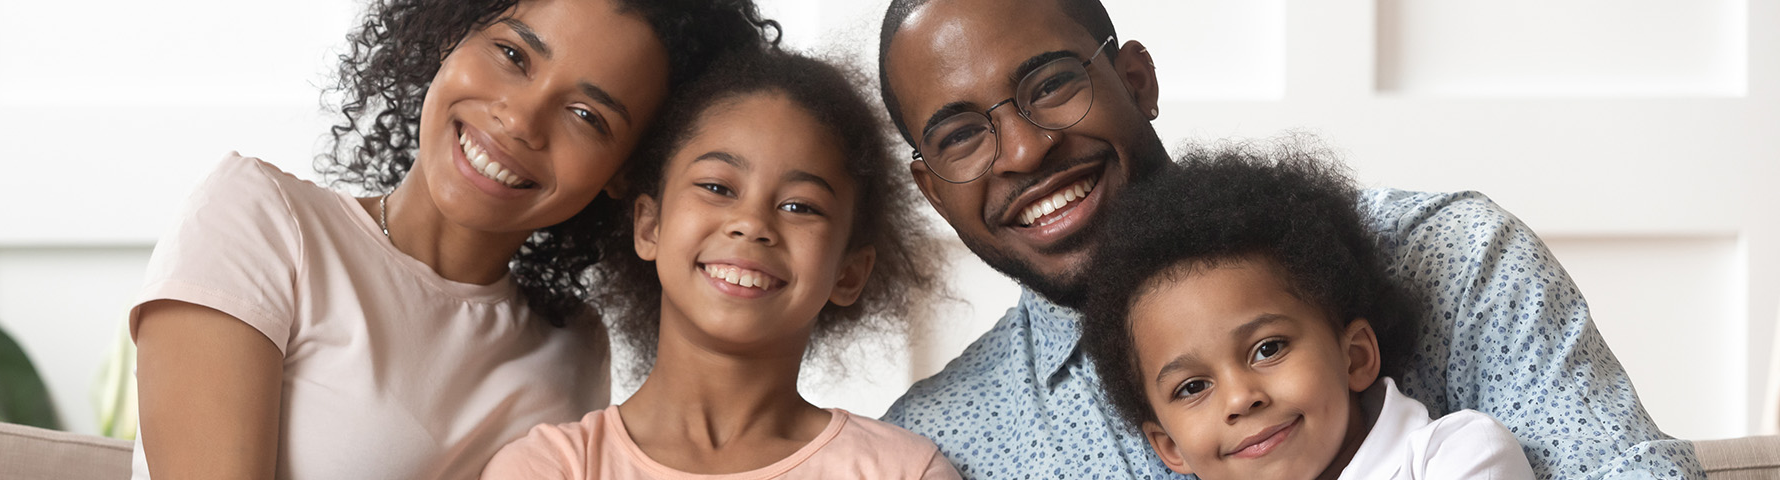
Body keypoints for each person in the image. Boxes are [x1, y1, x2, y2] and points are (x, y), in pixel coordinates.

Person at [871, 0, 1702, 477]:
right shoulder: (938, 449)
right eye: (959, 136)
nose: (1024, 150)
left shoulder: (1452, 257)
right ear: (931, 189)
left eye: (1049, 85)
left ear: (1136, 81)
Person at [127, 0, 774, 478]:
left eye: (586, 115)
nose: (519, 120)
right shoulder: (262, 221)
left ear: (628, 172)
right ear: (448, 34)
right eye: (513, 55)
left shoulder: (573, 350)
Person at [481, 48, 955, 479]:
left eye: (800, 206)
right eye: (717, 187)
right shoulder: (551, 467)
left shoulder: (904, 472)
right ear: (649, 226)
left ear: (849, 273)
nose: (751, 224)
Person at [1077, 151, 1532, 479]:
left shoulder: (1458, 455)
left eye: (1267, 349)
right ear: (1170, 447)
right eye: (1193, 387)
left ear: (1354, 356)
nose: (1240, 399)